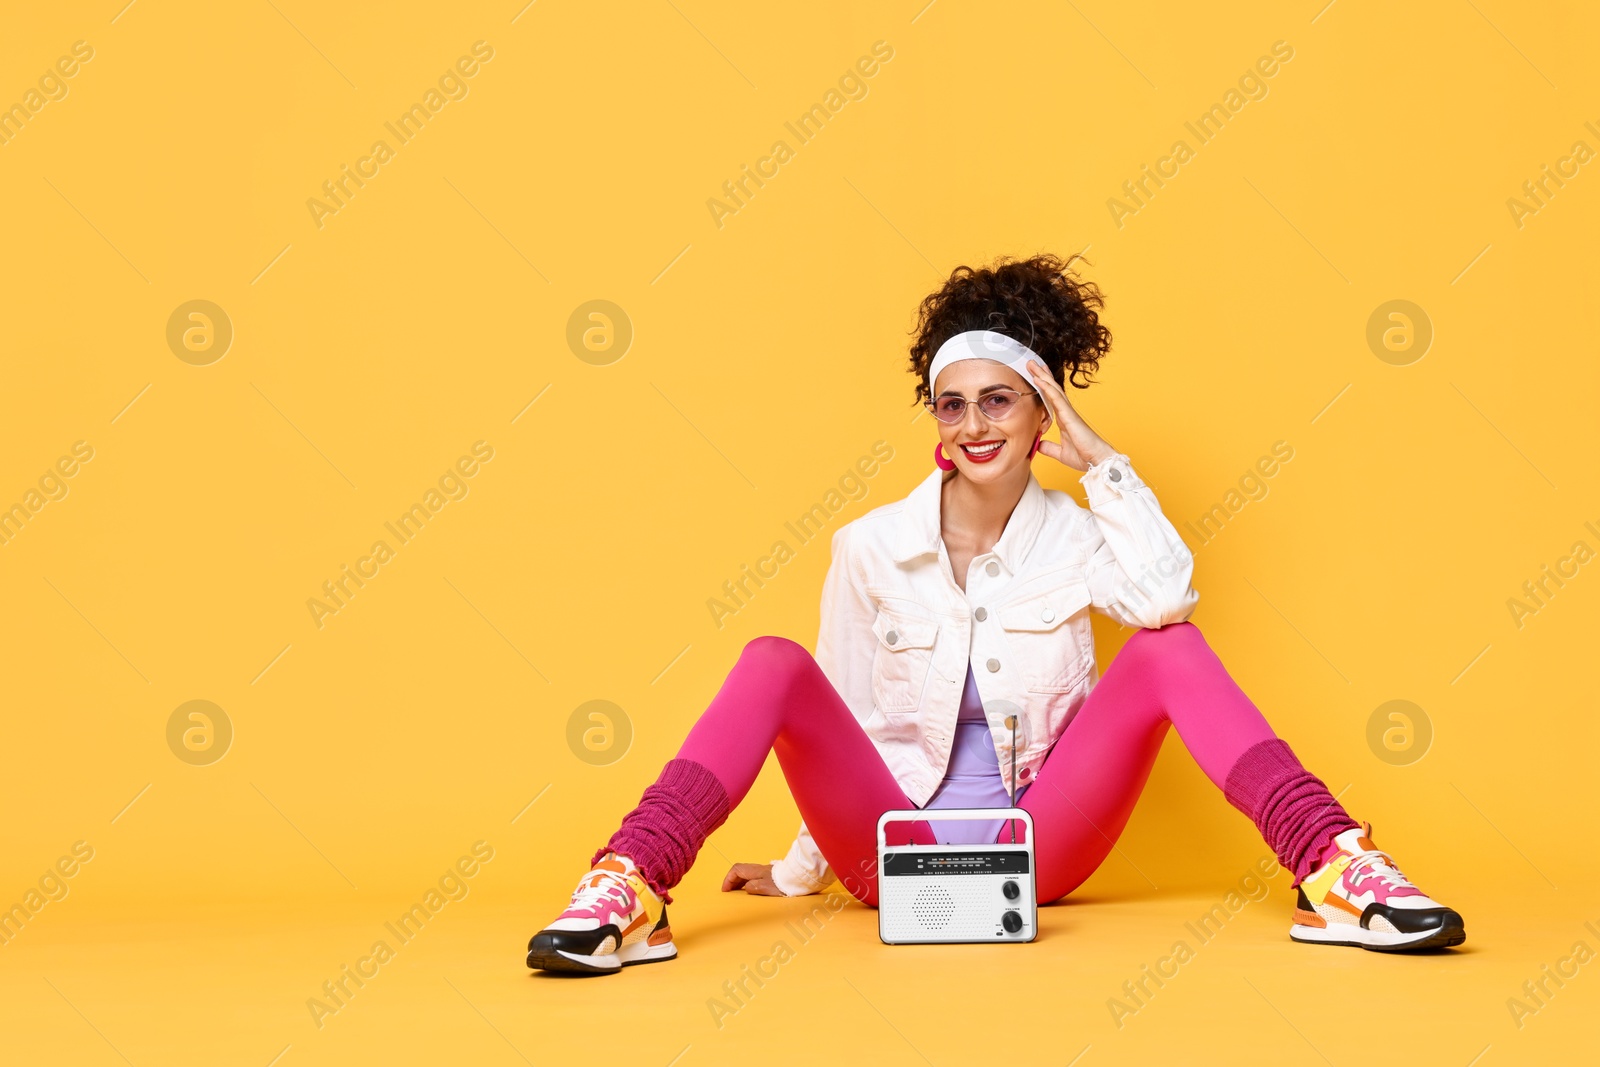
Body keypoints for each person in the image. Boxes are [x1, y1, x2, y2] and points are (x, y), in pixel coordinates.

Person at [527, 253, 1465, 975]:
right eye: (952, 405)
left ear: (1039, 409)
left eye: (1000, 402)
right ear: (934, 419)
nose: (975, 426)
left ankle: (1335, 869)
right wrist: (802, 868)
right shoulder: (868, 545)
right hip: (885, 847)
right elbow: (842, 707)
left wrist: (1099, 460)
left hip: (1036, 840)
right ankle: (629, 884)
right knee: (773, 657)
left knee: (1170, 647)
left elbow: (1166, 597)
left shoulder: (1074, 531)